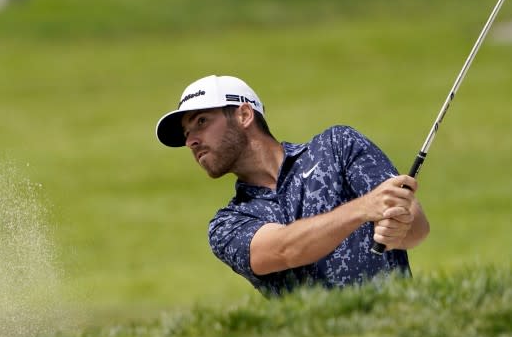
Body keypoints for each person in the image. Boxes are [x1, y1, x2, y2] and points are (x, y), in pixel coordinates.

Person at [155, 75, 430, 297]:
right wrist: (362, 209)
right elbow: (284, 250)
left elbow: (416, 228)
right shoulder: (227, 224)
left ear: (244, 115)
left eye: (201, 122)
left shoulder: (338, 147)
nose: (191, 141)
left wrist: (399, 228)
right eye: (187, 133)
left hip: (397, 335)